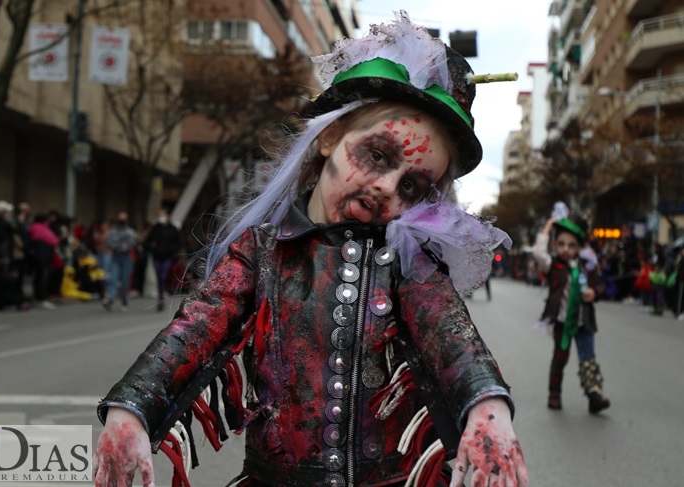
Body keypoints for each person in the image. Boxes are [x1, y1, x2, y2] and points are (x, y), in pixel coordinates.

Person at [94, 12, 528, 487]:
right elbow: (194, 330)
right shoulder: (260, 251)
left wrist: (488, 407)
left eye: (413, 185)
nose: (386, 187)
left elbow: (452, 338)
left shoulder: (409, 264)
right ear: (329, 137)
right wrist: (131, 409)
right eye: (377, 155)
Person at [533, 215, 611, 414]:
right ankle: (554, 393)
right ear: (555, 245)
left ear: (579, 247)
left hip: (584, 320)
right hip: (562, 320)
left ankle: (594, 396)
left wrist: (594, 293)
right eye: (561, 244)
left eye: (572, 245)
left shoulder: (586, 266)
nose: (566, 249)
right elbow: (539, 254)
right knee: (560, 358)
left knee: (588, 359)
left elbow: (600, 285)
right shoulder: (554, 265)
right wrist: (548, 227)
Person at [144, 208, 183, 311]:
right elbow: (147, 241)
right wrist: (153, 248)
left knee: (163, 276)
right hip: (157, 256)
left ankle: (161, 296)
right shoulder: (156, 228)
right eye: (159, 214)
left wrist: (172, 252)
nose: (160, 216)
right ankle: (160, 297)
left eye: (162, 214)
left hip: (167, 256)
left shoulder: (172, 229)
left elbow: (178, 242)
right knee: (159, 277)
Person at [103, 211, 138, 312]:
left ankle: (124, 300)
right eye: (120, 218)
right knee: (113, 278)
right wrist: (120, 245)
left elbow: (130, 244)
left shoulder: (130, 231)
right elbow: (110, 242)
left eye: (124, 218)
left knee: (125, 281)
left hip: (126, 258)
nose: (121, 220)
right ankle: (110, 299)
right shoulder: (113, 231)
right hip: (115, 257)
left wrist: (121, 245)